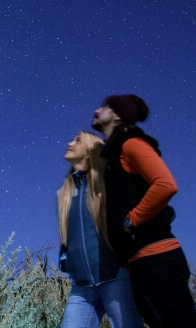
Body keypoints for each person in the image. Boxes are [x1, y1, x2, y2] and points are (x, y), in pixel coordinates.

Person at [92, 94, 196, 328]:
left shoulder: (130, 143)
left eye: (103, 107)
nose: (96, 111)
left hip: (157, 257)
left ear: (117, 115)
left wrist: (130, 221)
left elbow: (165, 185)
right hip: (139, 261)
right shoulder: (111, 156)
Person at [57, 131, 144, 328]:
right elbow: (67, 234)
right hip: (81, 286)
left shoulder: (108, 186)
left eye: (77, 140)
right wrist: (66, 258)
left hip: (114, 277)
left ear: (90, 152)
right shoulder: (65, 194)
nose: (70, 142)